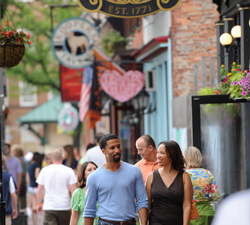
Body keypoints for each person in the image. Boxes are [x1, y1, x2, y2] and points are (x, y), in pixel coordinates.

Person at [84, 134, 148, 225]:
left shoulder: (134, 171)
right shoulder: (94, 177)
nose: (117, 150)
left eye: (118, 146)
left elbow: (142, 200)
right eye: (112, 148)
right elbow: (89, 210)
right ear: (103, 151)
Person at [145, 140, 193, 225]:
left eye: (162, 153)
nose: (158, 156)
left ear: (172, 156)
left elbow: (187, 206)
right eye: (158, 152)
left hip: (178, 222)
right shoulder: (151, 176)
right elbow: (146, 205)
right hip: (156, 222)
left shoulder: (184, 177)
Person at [36, 148, 77, 225]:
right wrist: (74, 206)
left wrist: (39, 204)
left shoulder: (44, 170)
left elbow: (39, 190)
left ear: (51, 158)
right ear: (62, 158)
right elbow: (74, 191)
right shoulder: (69, 171)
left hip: (49, 206)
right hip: (65, 206)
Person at [183, 146, 220, 225]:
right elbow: (216, 196)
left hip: (190, 216)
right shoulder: (208, 173)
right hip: (207, 214)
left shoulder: (183, 175)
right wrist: (205, 197)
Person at [2, 155, 18, 225]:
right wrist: (15, 208)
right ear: (4, 163)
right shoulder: (8, 177)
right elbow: (13, 194)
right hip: (5, 210)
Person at [27, 152, 41, 225]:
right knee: (39, 206)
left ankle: (35, 223)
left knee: (34, 207)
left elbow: (27, 179)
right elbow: (37, 176)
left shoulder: (29, 166)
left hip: (30, 188)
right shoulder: (37, 165)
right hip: (36, 188)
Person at [12, 145, 28, 211]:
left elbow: (24, 173)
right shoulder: (13, 161)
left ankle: (22, 213)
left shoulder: (23, 162)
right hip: (14, 182)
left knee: (22, 199)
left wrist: (18, 174)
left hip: (22, 183)